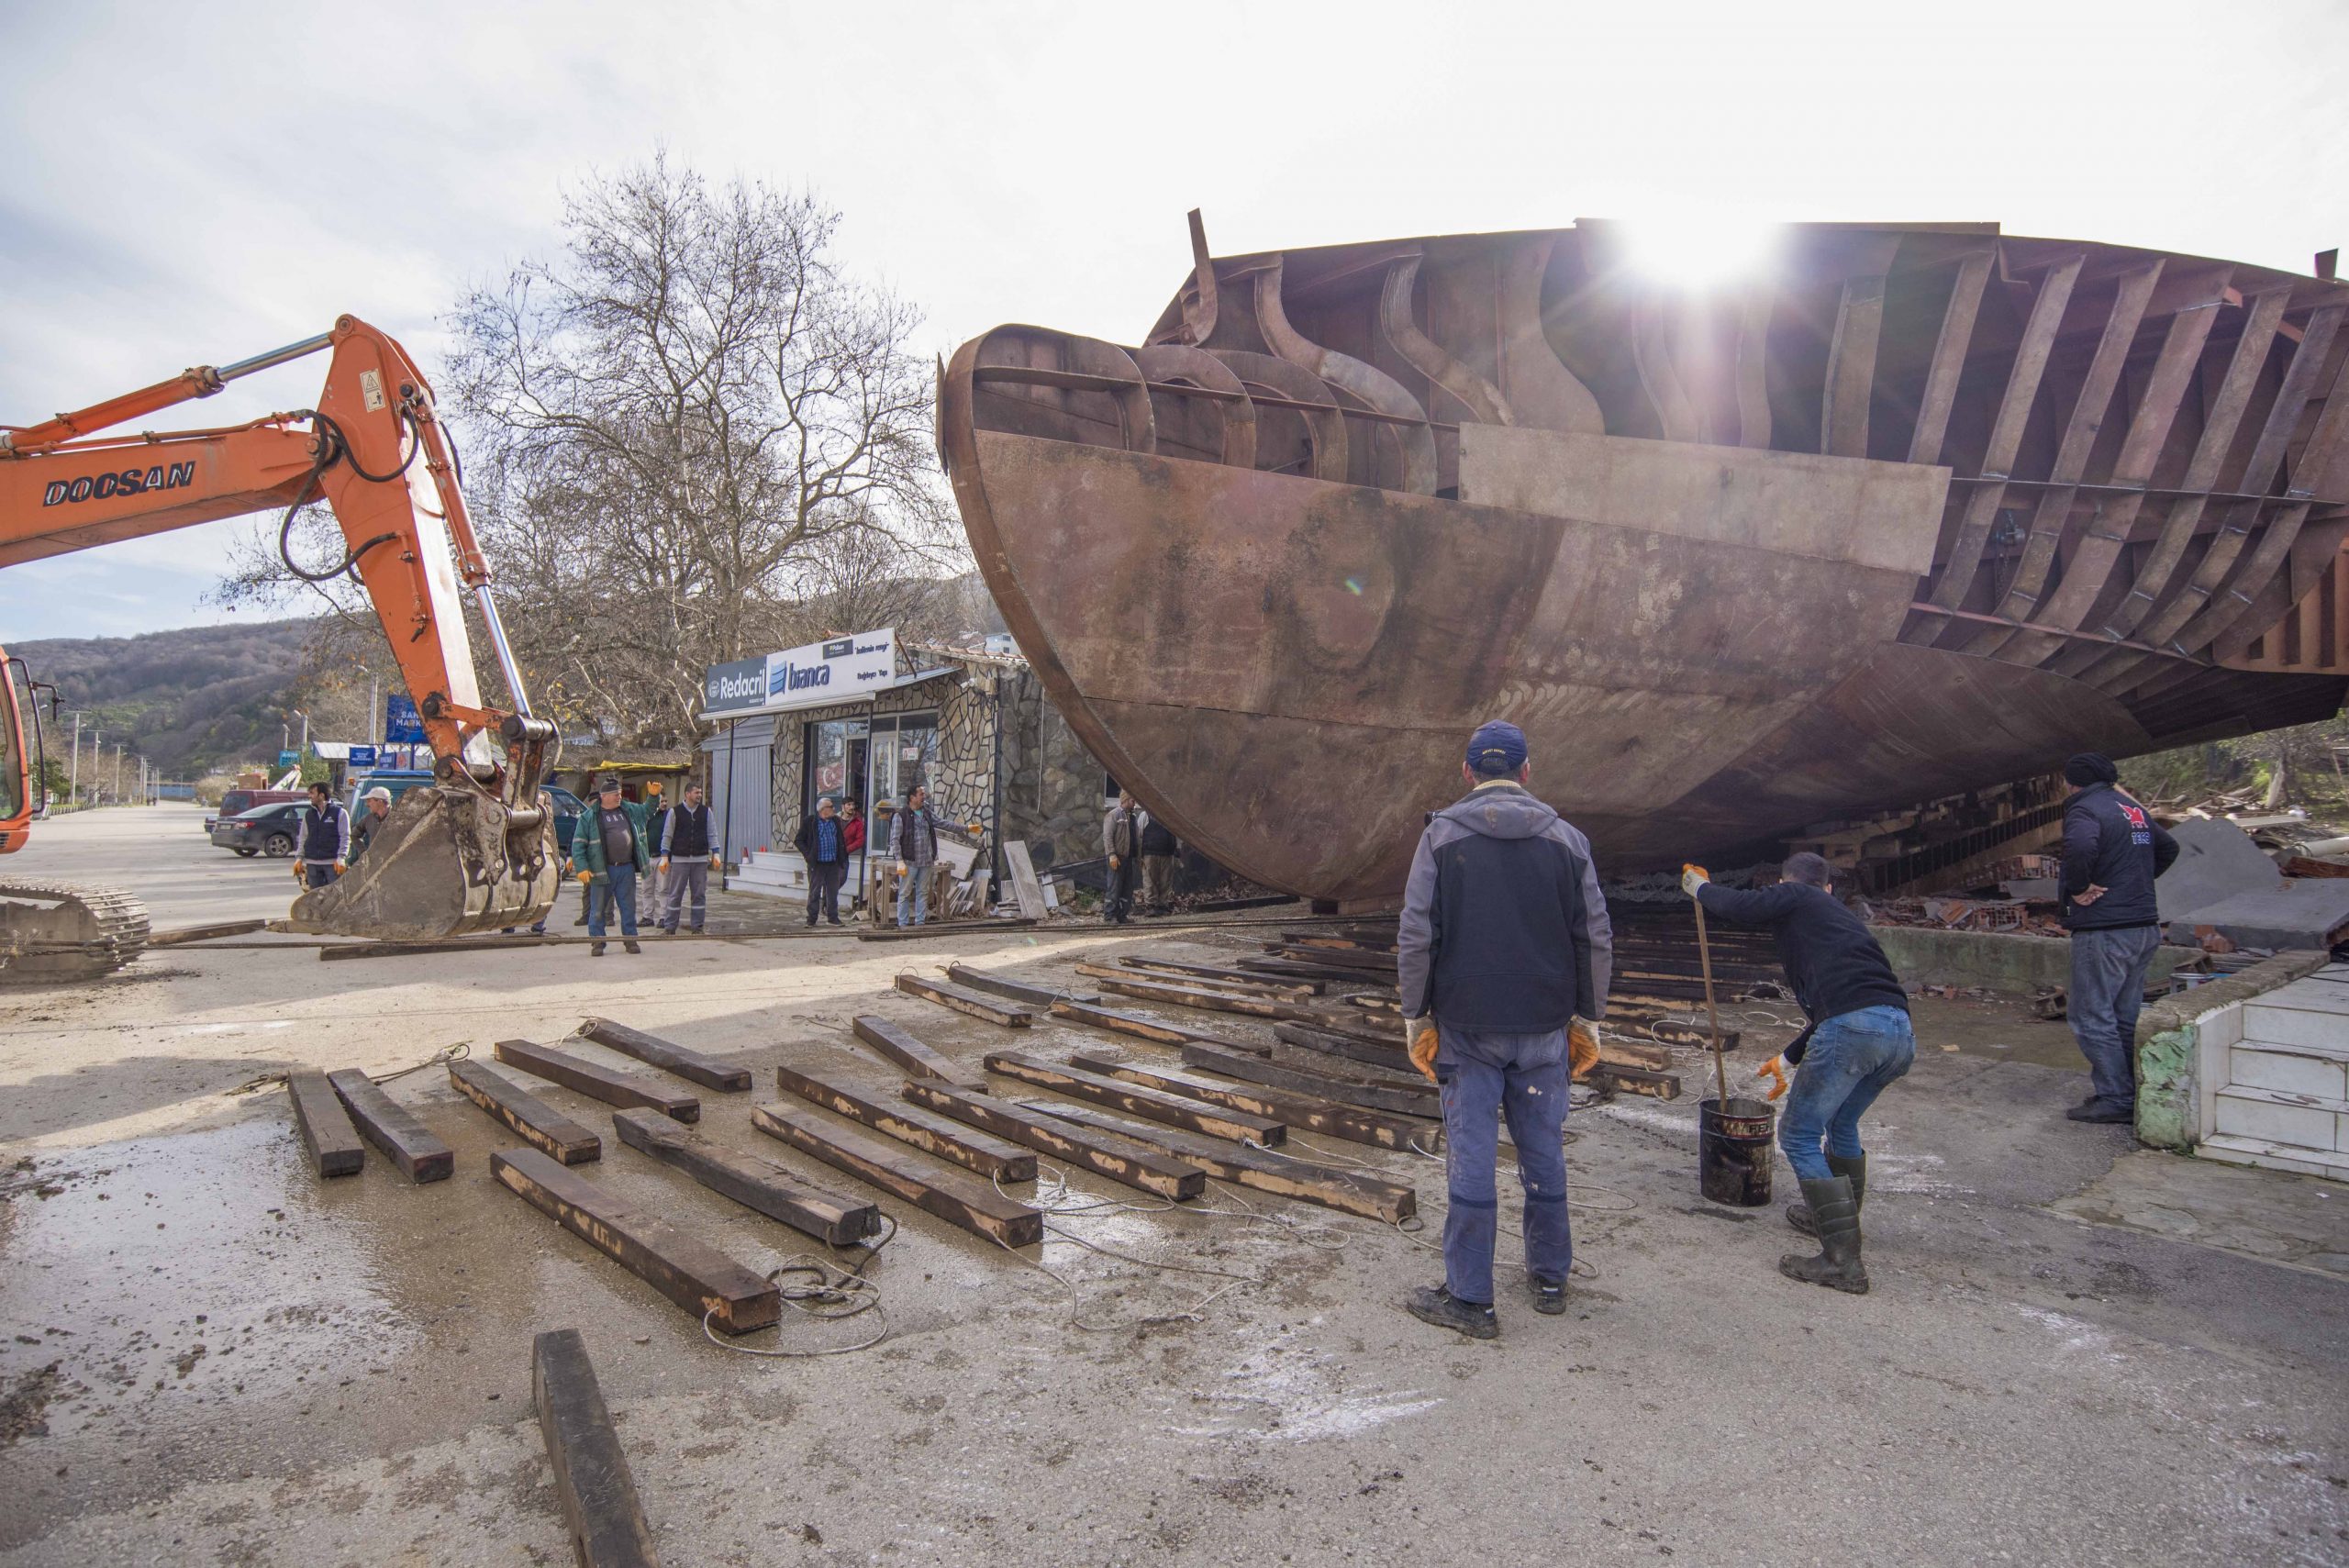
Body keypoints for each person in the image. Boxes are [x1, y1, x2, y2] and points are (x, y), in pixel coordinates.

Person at [1397, 720, 1611, 1339]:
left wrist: (1416, 1017)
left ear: (1467, 772)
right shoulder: (1569, 841)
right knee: (1543, 1150)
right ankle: (1550, 1277)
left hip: (1466, 1027)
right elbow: (1593, 935)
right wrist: (1588, 1019)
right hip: (1545, 1027)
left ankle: (1470, 1299)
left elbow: (1417, 934)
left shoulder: (1440, 837)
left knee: (1472, 1157)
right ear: (1526, 771)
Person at [1685, 852, 1913, 1295]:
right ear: (1829, 887)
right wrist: (1787, 1060)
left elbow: (1740, 907)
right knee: (1841, 1123)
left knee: (1799, 1135)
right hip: (1899, 1033)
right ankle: (1830, 1220)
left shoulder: (1798, 896)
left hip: (1853, 1028)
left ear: (1787, 884)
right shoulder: (1840, 921)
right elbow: (1849, 1004)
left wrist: (1698, 887)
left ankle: (1842, 1261)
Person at [2057, 751, 2180, 1125]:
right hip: (2143, 927)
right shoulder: (2131, 808)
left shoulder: (2085, 809)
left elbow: (2080, 848)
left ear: (2071, 783)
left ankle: (2116, 1097)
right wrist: (2132, 882)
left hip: (2105, 929)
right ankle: (2132, 1091)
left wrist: (2079, 888)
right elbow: (2169, 848)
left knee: (2090, 1015)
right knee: (2124, 1015)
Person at [572, 775, 650, 956]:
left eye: (620, 794)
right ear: (604, 796)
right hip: (601, 870)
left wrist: (653, 797)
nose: (619, 797)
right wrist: (582, 867)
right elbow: (578, 845)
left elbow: (647, 811)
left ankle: (630, 941)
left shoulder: (628, 810)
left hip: (626, 868)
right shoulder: (589, 817)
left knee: (628, 908)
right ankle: (597, 943)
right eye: (616, 794)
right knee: (598, 910)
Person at [657, 783, 720, 935]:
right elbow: (667, 835)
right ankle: (670, 927)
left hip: (700, 860)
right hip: (680, 860)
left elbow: (712, 834)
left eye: (700, 792)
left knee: (699, 894)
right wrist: (664, 856)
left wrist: (716, 853)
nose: (699, 795)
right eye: (696, 792)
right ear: (687, 794)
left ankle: (697, 927)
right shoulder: (675, 812)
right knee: (675, 894)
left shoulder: (706, 812)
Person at [890, 784, 945, 928]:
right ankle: (903, 925)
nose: (924, 797)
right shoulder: (901, 815)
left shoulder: (926, 813)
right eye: (921, 794)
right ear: (912, 797)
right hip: (910, 862)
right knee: (905, 893)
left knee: (923, 892)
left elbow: (943, 823)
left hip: (926, 861)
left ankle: (920, 923)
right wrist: (899, 860)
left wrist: (965, 828)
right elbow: (895, 840)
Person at [794, 796, 851, 927]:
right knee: (814, 892)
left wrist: (842, 855)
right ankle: (811, 918)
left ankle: (832, 917)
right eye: (830, 807)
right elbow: (799, 840)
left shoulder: (835, 821)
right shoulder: (810, 821)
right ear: (822, 809)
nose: (833, 809)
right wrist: (808, 855)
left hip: (833, 862)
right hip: (817, 863)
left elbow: (840, 839)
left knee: (832, 892)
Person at [291, 782, 350, 891]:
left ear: (321, 795)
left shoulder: (340, 813)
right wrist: (299, 858)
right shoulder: (309, 814)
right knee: (315, 896)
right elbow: (303, 837)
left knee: (335, 894)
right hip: (312, 864)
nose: (309, 796)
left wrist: (341, 857)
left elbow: (345, 837)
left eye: (312, 793)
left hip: (333, 864)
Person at [1102, 791, 1143, 924]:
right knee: (1114, 887)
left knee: (1127, 888)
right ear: (1125, 800)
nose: (1134, 803)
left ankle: (1122, 915)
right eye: (1132, 800)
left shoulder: (1133, 817)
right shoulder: (1114, 815)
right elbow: (1108, 836)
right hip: (1117, 857)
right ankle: (1110, 915)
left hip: (1128, 858)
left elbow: (1136, 838)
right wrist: (1111, 854)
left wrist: (1139, 857)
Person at [1139, 809, 1179, 916]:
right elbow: (1139, 833)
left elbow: (1177, 832)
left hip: (1167, 853)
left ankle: (1162, 905)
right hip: (1150, 853)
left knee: (1166, 880)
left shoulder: (1171, 815)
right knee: (1150, 879)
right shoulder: (1145, 815)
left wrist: (1177, 848)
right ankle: (1150, 905)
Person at [351, 786, 393, 862]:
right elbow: (354, 835)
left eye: (369, 801)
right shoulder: (368, 818)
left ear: (380, 802)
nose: (367, 804)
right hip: (374, 863)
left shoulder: (397, 818)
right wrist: (363, 853)